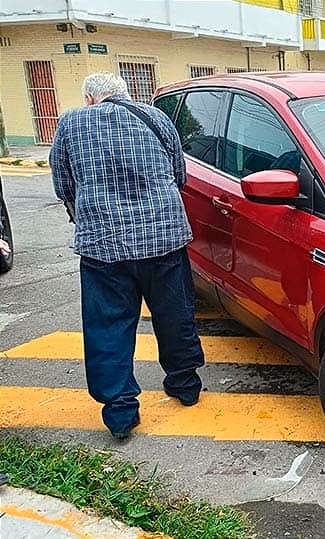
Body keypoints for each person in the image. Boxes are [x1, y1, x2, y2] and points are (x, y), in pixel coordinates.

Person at [50, 72, 205, 440]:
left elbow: (63, 183)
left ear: (90, 99)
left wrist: (86, 210)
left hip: (103, 246)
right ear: (126, 94)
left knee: (109, 326)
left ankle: (120, 412)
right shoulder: (156, 117)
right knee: (175, 313)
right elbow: (178, 174)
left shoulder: (71, 121)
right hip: (162, 239)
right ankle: (185, 385)